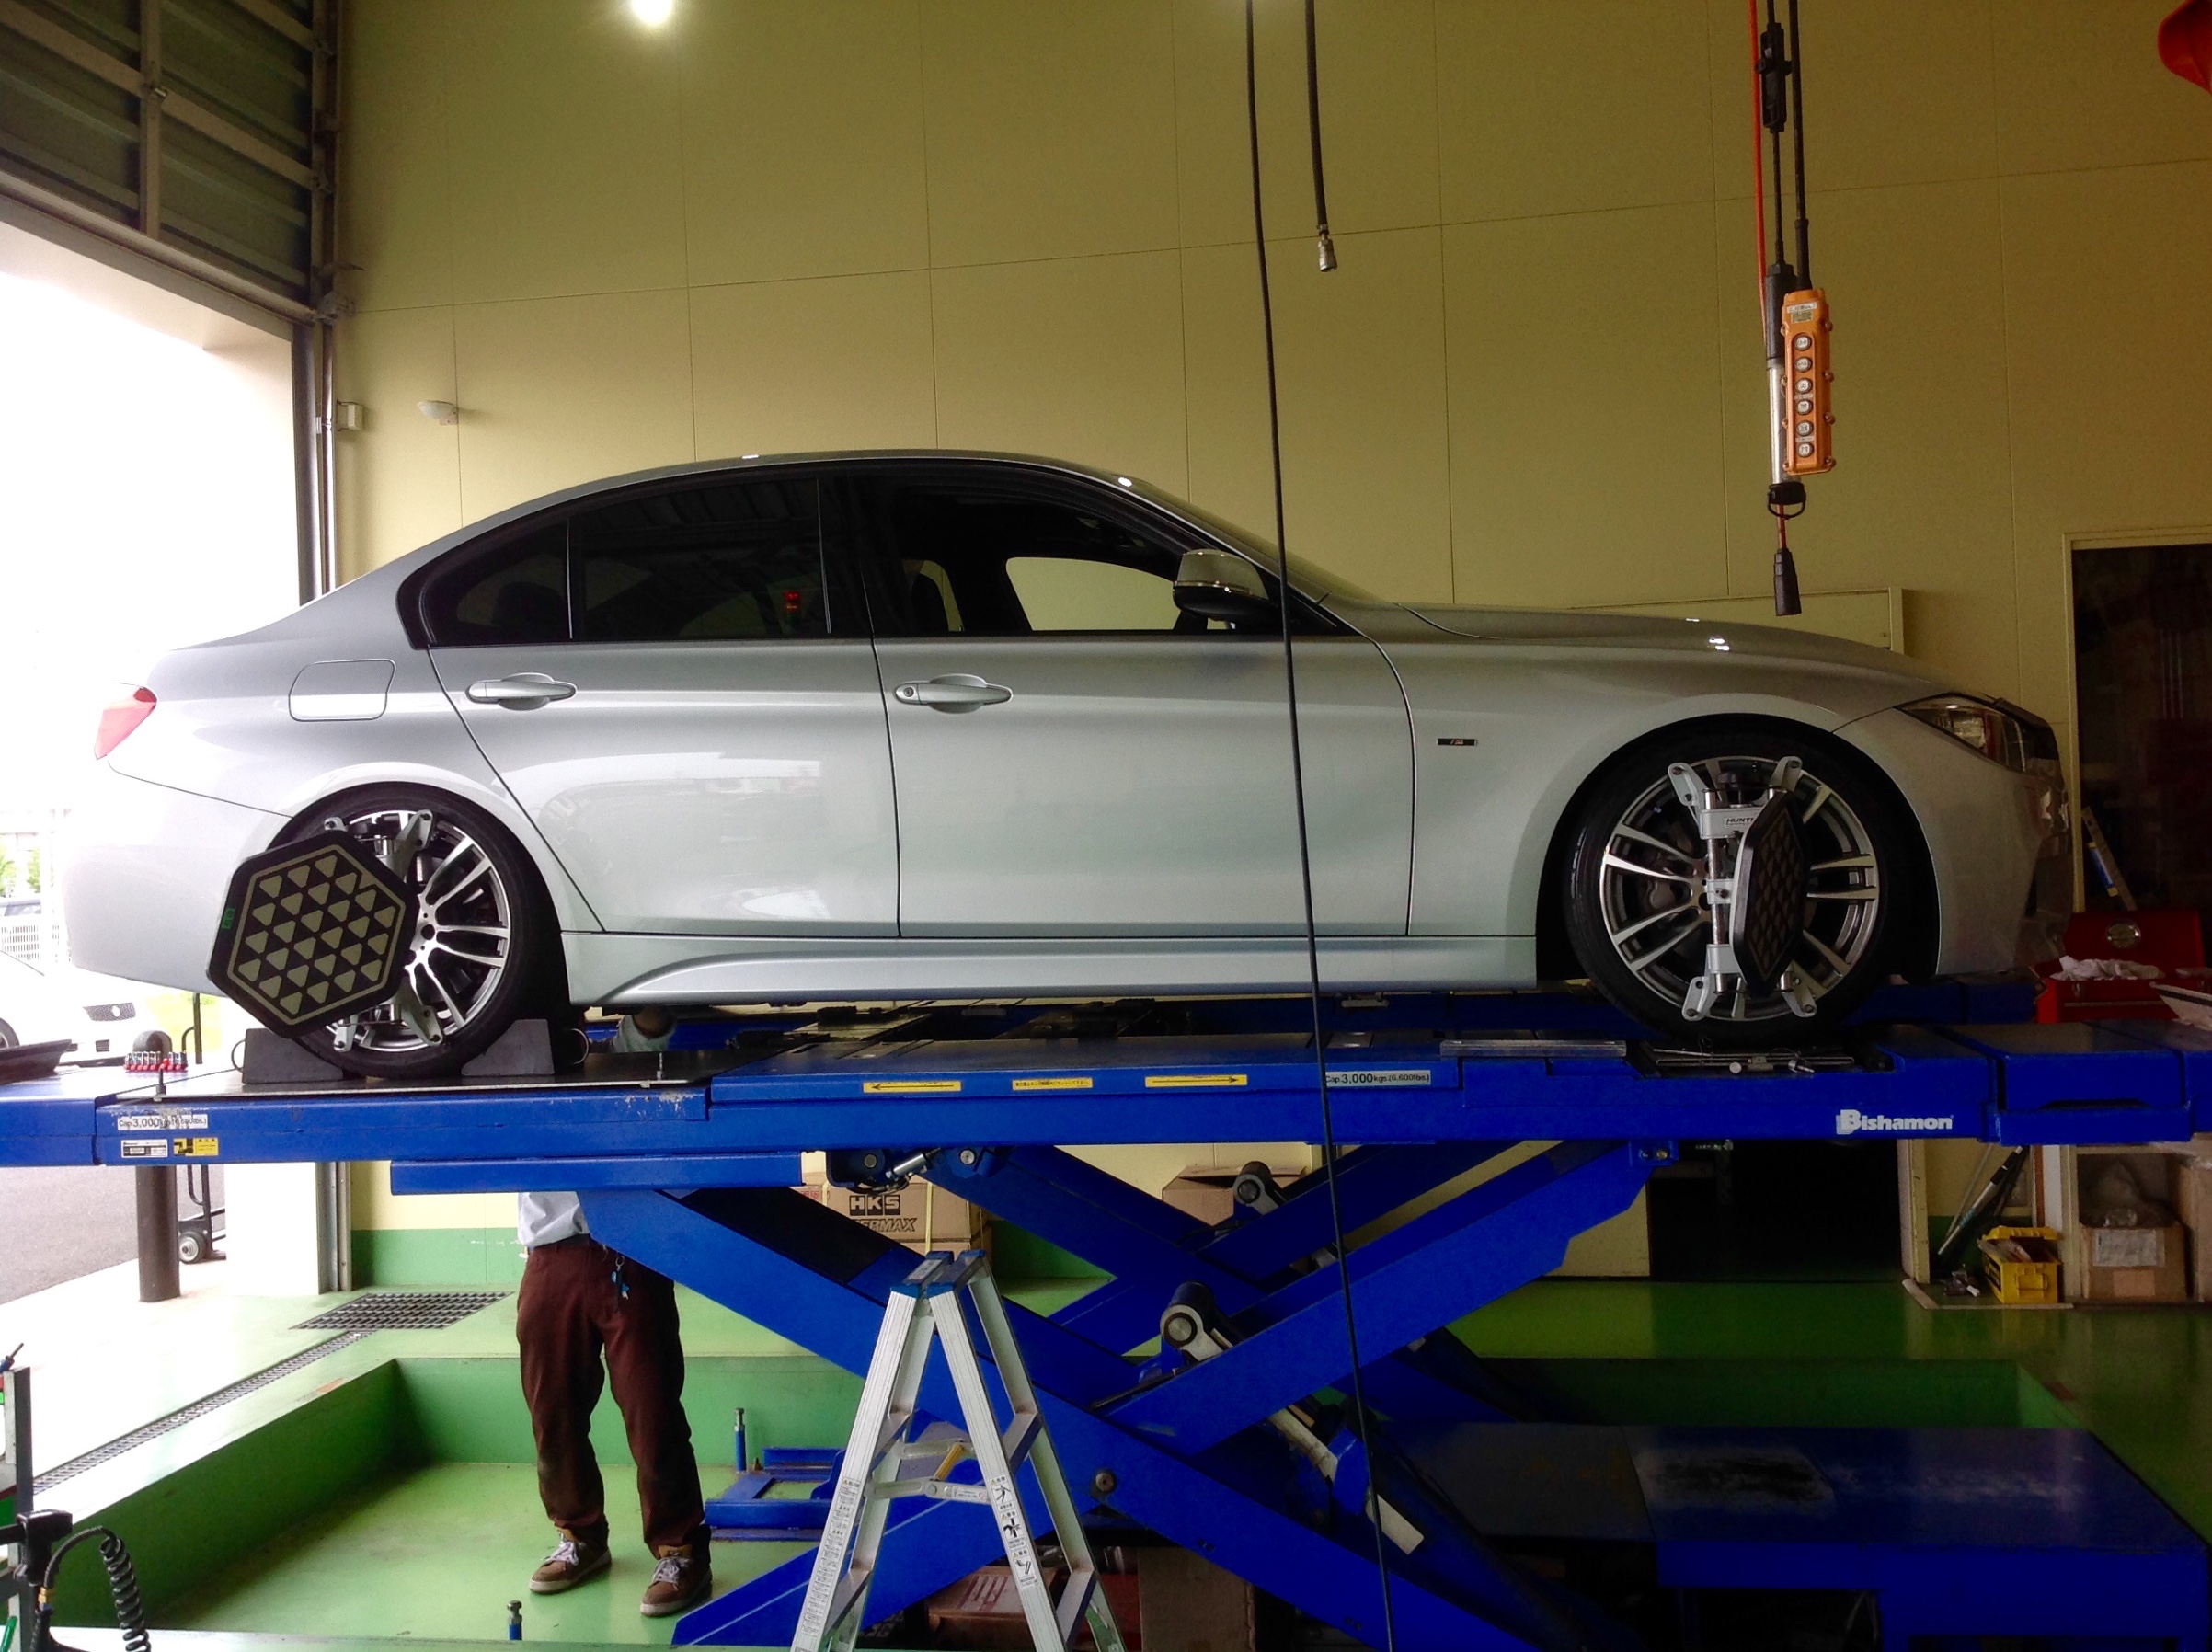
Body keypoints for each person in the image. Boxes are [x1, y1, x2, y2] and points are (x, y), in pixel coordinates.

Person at [517, 1007, 710, 1617]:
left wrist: (644, 1000)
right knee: (553, 1412)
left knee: (652, 1410)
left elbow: (647, 1031)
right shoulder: (515, 1064)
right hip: (550, 1254)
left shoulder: (613, 1059)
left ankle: (680, 1549)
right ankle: (579, 1537)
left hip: (631, 1250)